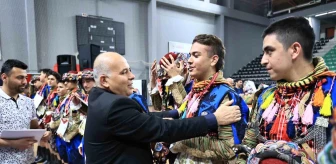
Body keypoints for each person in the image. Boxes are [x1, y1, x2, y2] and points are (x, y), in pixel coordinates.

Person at [84, 52, 242, 163]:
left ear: (213, 59)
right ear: (104, 80)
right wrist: (214, 119)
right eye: (124, 72)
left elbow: (146, 117)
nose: (132, 76)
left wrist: (178, 112)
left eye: (196, 55)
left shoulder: (99, 97)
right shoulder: (114, 106)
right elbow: (161, 127)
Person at [238, 17, 336, 163]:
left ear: (295, 50)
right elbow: (248, 145)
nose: (263, 60)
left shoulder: (331, 91)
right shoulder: (265, 96)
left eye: (269, 51)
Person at [164, 34, 249, 163]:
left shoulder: (225, 95)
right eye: (190, 55)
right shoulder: (196, 91)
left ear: (213, 60)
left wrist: (181, 141)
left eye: (196, 55)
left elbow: (229, 148)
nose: (189, 60)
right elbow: (185, 113)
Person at [0, 59, 50, 163]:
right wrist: (12, 143)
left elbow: (34, 127)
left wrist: (43, 134)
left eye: (25, 78)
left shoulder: (28, 102)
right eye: (19, 78)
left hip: (28, 160)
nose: (25, 82)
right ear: (4, 77)